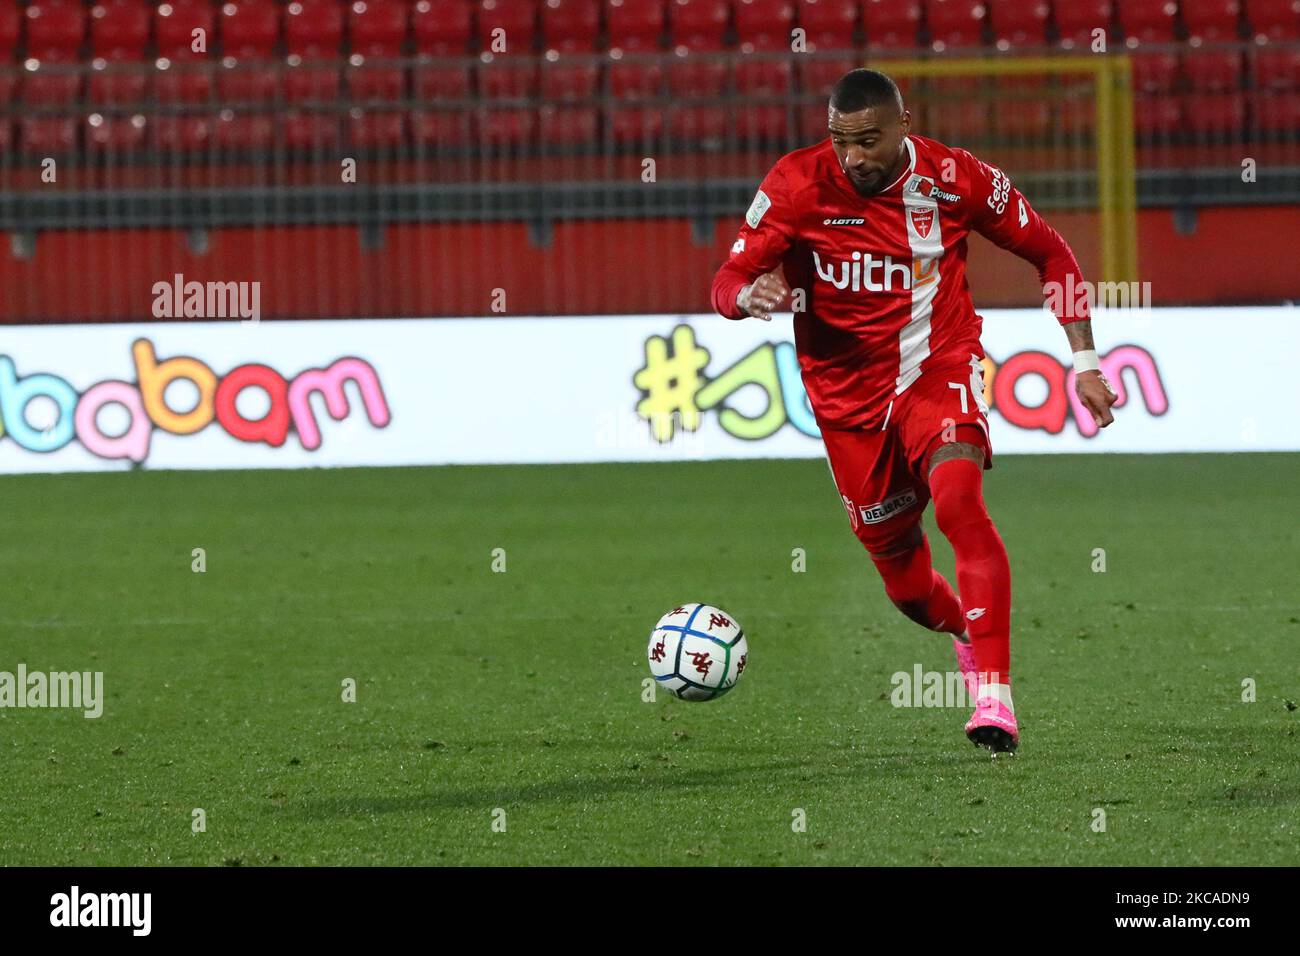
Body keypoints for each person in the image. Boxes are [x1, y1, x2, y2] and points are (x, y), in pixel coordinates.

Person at [710, 69, 1118, 754]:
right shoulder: (795, 184)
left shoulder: (957, 179)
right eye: (842, 142)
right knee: (904, 583)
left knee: (959, 501)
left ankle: (995, 697)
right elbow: (726, 279)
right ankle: (964, 629)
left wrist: (1086, 362)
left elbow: (1050, 252)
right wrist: (744, 298)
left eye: (868, 140)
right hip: (845, 405)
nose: (854, 157)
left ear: (905, 124)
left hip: (939, 367)